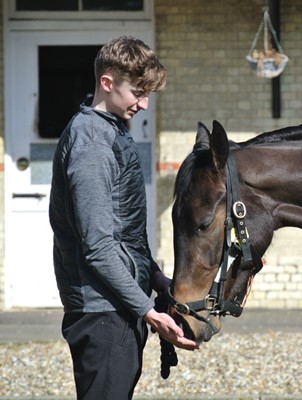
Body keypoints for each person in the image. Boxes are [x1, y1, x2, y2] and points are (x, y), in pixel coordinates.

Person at [49, 36, 198, 400]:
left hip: (117, 305)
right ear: (107, 82)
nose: (144, 104)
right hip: (101, 311)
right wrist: (149, 311)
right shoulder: (93, 145)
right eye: (138, 92)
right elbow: (98, 246)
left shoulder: (109, 129)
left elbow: (124, 229)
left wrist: (156, 277)